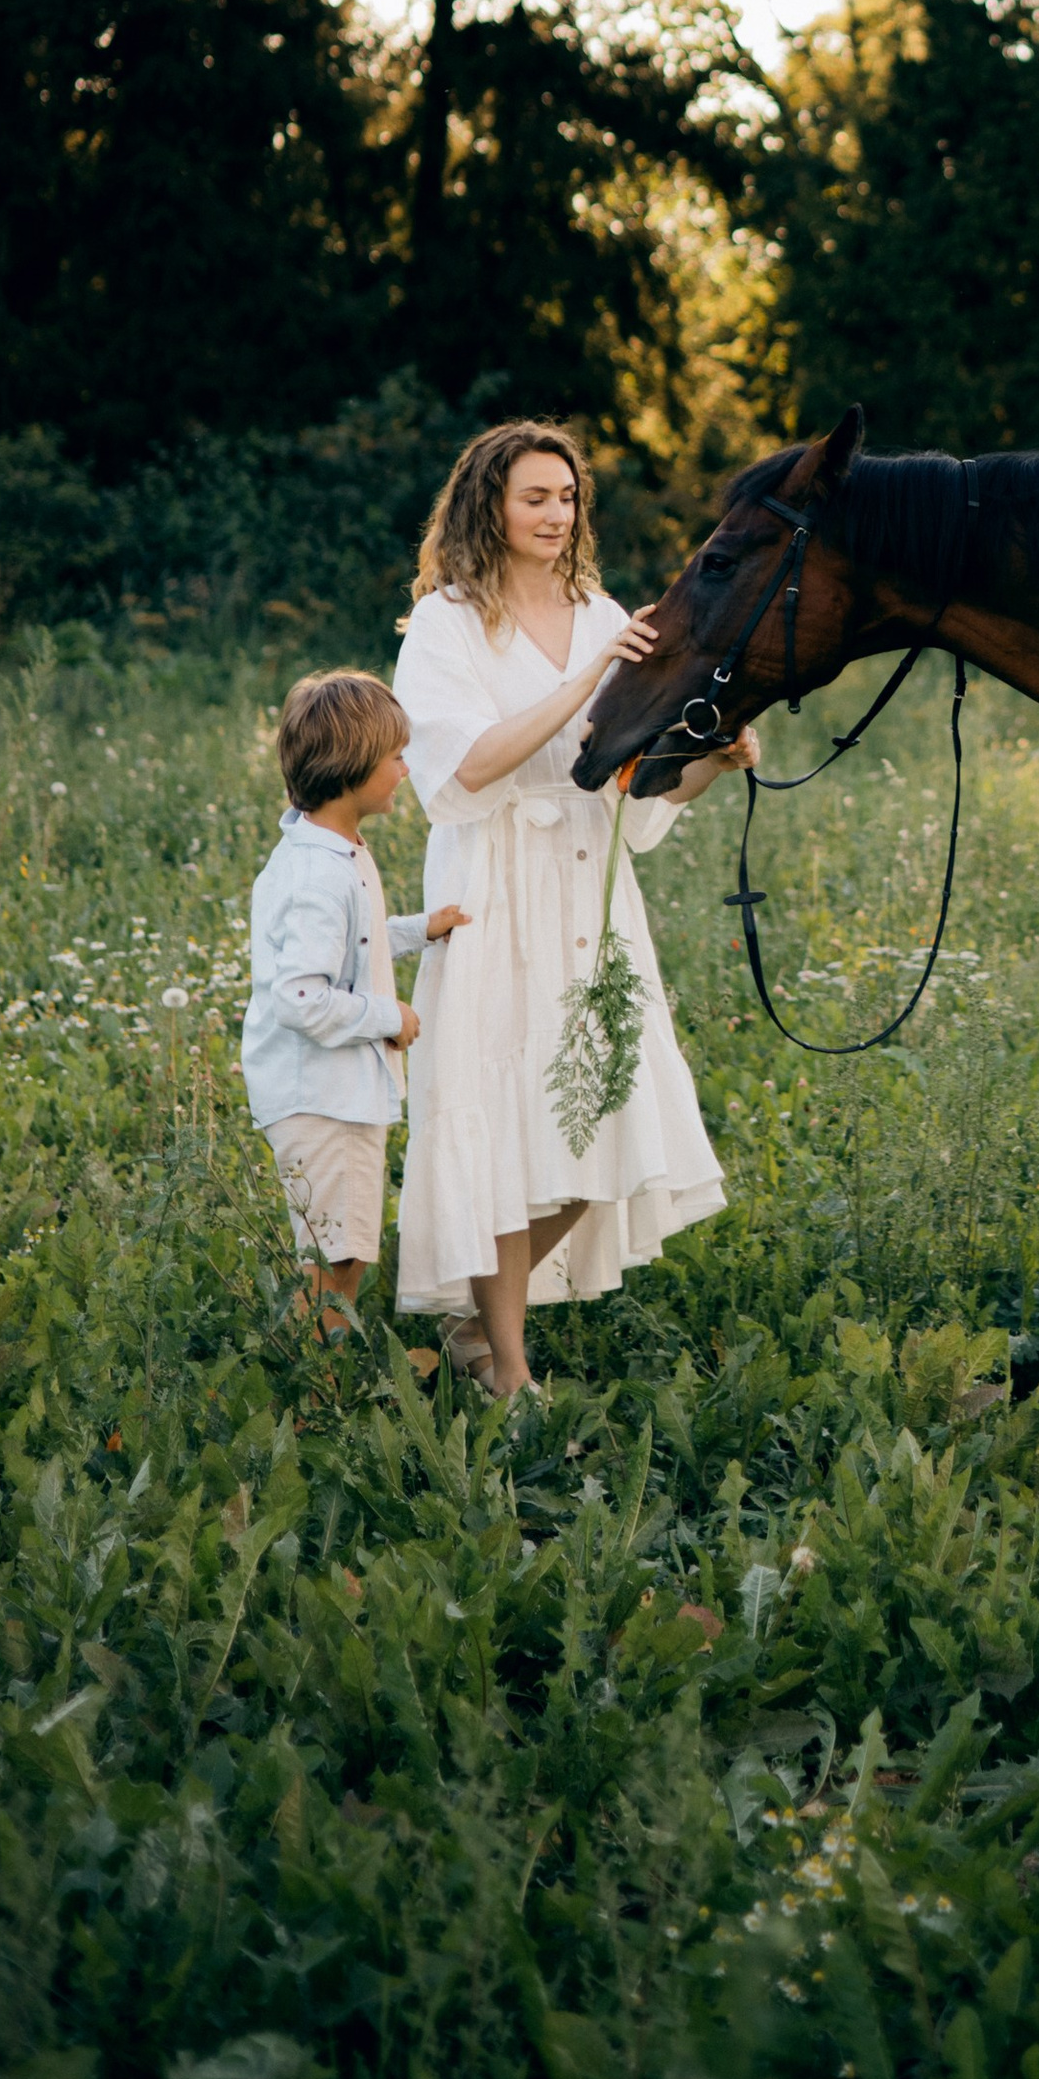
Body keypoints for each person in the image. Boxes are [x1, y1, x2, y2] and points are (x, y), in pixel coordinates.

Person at [392, 419, 750, 1399]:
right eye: (534, 498)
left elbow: (629, 792)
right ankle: (507, 1368)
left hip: (591, 898)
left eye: (567, 498)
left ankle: (478, 1308)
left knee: (605, 1122)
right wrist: (591, 679)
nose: (556, 515)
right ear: (489, 507)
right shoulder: (447, 624)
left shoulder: (604, 612)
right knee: (505, 1125)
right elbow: (462, 768)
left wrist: (707, 767)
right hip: (495, 895)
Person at [242, 671, 469, 1337]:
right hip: (321, 1097)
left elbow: (354, 945)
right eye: (395, 756)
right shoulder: (319, 873)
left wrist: (417, 929)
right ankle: (315, 1387)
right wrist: (390, 1018)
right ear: (350, 768)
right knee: (335, 1257)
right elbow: (301, 997)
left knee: (348, 1250)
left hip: (333, 1093)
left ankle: (323, 1368)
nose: (405, 769)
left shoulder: (328, 851)